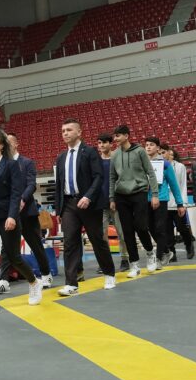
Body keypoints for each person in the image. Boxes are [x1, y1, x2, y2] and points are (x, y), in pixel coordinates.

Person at [0, 128, 41, 316]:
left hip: (7, 216)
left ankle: (34, 282)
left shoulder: (12, 165)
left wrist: (12, 216)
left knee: (14, 258)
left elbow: (16, 193)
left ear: (2, 145)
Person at [54, 119, 116, 296]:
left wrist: (88, 196)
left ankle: (109, 274)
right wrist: (59, 209)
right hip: (69, 204)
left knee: (97, 239)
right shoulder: (61, 157)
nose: (65, 133)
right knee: (70, 242)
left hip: (89, 203)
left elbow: (98, 177)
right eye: (63, 130)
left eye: (69, 130)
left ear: (79, 132)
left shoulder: (90, 152)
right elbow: (59, 184)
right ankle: (71, 283)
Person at [0, 133, 52, 292]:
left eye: (9, 142)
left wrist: (22, 200)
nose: (6, 145)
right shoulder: (2, 164)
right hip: (8, 212)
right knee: (7, 247)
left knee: (35, 244)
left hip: (27, 212)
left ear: (16, 144)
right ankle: (4, 280)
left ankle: (46, 274)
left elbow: (31, 184)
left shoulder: (27, 162)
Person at [109, 124, 159, 278]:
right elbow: (112, 177)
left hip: (139, 192)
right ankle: (134, 264)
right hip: (121, 195)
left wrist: (155, 194)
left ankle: (150, 253)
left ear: (126, 136)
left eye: (118, 135)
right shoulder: (114, 155)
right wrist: (112, 198)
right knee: (127, 231)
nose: (115, 139)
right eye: (115, 136)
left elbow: (150, 173)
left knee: (141, 226)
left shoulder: (140, 151)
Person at [143, 137, 186, 266]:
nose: (148, 147)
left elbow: (174, 184)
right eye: (146, 145)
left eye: (151, 144)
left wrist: (180, 204)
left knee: (160, 228)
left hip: (161, 199)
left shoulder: (165, 164)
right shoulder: (142, 163)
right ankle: (167, 251)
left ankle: (158, 257)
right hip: (145, 200)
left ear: (158, 148)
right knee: (150, 228)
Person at [97, 134, 129, 271]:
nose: (101, 145)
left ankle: (125, 259)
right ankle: (105, 262)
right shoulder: (96, 161)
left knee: (121, 233)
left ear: (111, 144)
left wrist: (115, 198)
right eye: (99, 143)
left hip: (117, 202)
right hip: (100, 204)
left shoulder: (117, 159)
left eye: (104, 142)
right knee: (101, 235)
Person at [165, 146, 196, 258]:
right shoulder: (158, 166)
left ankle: (189, 244)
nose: (167, 156)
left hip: (177, 203)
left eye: (170, 154)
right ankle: (172, 252)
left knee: (182, 227)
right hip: (164, 203)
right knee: (167, 230)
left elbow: (183, 185)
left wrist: (183, 203)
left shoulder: (180, 166)